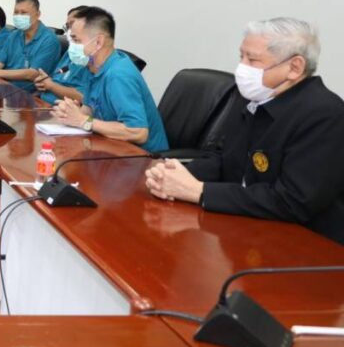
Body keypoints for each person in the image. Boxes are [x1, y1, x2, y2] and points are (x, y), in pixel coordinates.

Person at [145, 18, 344, 245]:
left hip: (304, 245)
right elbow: (224, 158)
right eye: (241, 56)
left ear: (294, 67)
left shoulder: (325, 114)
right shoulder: (252, 97)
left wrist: (199, 191)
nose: (241, 68)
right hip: (244, 228)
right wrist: (176, 175)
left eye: (252, 59)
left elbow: (292, 201)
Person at [52, 6, 168, 152]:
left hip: (143, 158)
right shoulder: (92, 67)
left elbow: (138, 132)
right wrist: (71, 113)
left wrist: (82, 121)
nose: (71, 46)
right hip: (109, 146)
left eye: (76, 40)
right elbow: (88, 110)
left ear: (98, 42)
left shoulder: (118, 75)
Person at [0, 0, 61, 91]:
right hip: (4, 87)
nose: (19, 16)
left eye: (23, 13)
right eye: (16, 12)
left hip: (29, 94)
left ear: (38, 14)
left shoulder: (49, 40)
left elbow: (32, 74)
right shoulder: (14, 35)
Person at [35, 5, 91, 104]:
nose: (69, 31)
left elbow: (82, 97)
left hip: (60, 109)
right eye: (67, 26)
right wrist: (43, 83)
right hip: (42, 101)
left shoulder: (93, 60)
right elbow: (54, 79)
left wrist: (51, 85)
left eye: (73, 25)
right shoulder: (71, 51)